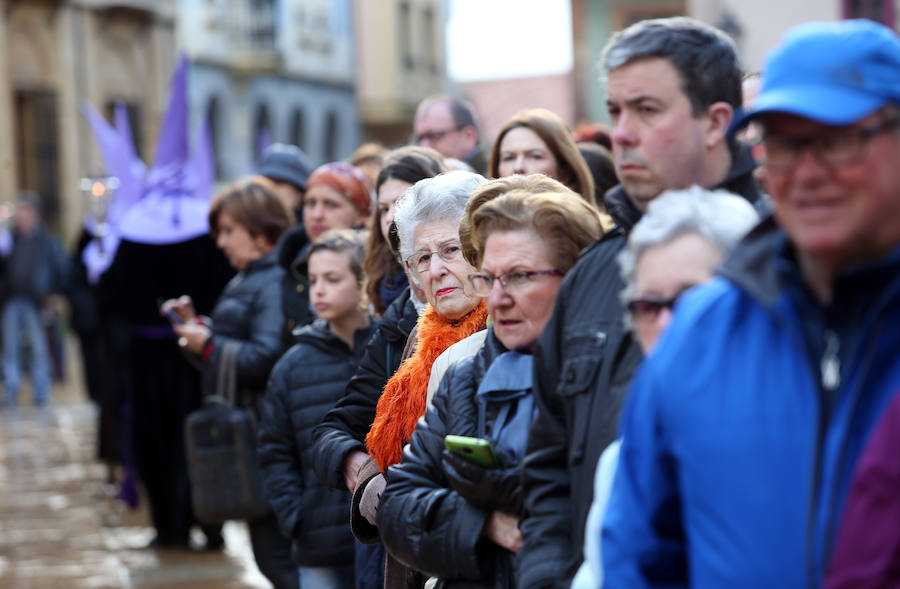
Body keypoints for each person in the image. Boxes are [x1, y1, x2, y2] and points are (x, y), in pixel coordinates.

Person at [601, 19, 900, 587]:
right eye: (784, 144)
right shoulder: (697, 334)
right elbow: (638, 555)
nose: (807, 173)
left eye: (836, 140)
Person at [518, 17, 763, 588]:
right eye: (616, 110)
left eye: (647, 110)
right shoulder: (593, 271)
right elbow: (548, 458)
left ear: (716, 123)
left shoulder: (778, 262)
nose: (622, 132)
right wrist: (550, 577)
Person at [377, 174, 605, 588]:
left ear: (573, 274)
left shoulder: (609, 375)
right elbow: (397, 507)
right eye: (489, 278)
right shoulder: (465, 376)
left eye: (519, 276)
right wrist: (482, 523)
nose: (497, 298)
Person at [571, 187, 758, 589]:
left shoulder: (806, 430)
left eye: (694, 299)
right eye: (648, 306)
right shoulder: (621, 461)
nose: (669, 324)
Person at [351, 171, 488, 587]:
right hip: (408, 556)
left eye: (451, 250)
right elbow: (377, 439)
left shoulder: (505, 337)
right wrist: (370, 484)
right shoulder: (419, 332)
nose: (437, 269)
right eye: (422, 258)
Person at [161, 177, 298, 589]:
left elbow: (267, 358)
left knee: (279, 558)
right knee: (270, 557)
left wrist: (209, 344)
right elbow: (237, 347)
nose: (220, 242)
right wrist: (197, 331)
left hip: (269, 434)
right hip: (254, 435)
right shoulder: (245, 278)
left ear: (260, 231)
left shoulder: (273, 281)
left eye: (228, 231)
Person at [259, 231, 374, 589]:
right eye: (312, 281)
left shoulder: (387, 350)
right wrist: (296, 518)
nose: (318, 290)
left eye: (332, 279)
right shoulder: (292, 365)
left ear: (363, 282)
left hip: (379, 536)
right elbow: (274, 451)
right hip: (318, 545)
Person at [277, 161, 373, 339]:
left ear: (360, 214)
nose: (317, 215)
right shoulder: (291, 263)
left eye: (331, 204)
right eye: (310, 203)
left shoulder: (375, 265)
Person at [1, 194, 68, 407]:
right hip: (11, 300)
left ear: (34, 215)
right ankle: (11, 389)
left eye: (25, 213)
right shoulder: (10, 239)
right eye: (19, 213)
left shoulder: (46, 240)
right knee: (11, 347)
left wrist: (51, 291)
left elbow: (60, 267)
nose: (21, 218)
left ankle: (41, 391)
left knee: (39, 347)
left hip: (37, 301)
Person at [364, 146, 448, 315]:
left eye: (401, 202)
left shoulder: (450, 273)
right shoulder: (382, 283)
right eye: (384, 209)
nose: (389, 217)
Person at [488, 108, 596, 208]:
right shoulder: (477, 227)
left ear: (565, 171)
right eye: (509, 158)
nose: (518, 167)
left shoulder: (594, 228)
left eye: (535, 156)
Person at [412, 95, 486, 173]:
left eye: (436, 135)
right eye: (420, 138)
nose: (424, 146)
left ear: (468, 136)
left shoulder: (494, 179)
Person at [258, 143, 314, 219]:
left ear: (300, 193)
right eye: (264, 182)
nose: (269, 188)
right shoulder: (249, 224)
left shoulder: (311, 227)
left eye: (278, 183)